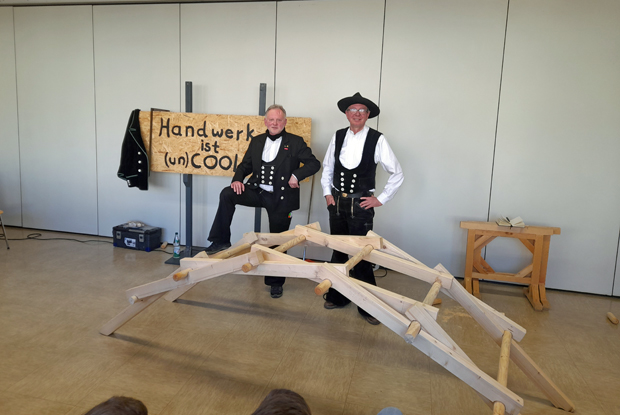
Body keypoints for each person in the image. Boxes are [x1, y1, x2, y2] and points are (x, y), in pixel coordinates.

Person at [204, 104, 320, 298]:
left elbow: (314, 163)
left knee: (278, 240)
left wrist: (296, 175)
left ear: (284, 122)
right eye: (271, 120)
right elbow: (245, 165)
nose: (274, 123)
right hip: (258, 191)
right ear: (266, 122)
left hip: (281, 197)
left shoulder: (295, 141)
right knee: (227, 193)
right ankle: (220, 241)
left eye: (278, 120)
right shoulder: (257, 141)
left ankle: (275, 283)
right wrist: (237, 179)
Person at [321, 92, 404, 325]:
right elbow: (328, 167)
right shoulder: (338, 136)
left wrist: (381, 199)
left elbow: (397, 172)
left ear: (368, 115)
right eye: (353, 110)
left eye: (361, 111)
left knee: (362, 255)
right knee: (338, 251)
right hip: (337, 203)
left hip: (361, 205)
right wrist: (327, 193)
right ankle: (338, 296)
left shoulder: (377, 139)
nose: (357, 114)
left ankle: (368, 305)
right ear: (346, 114)